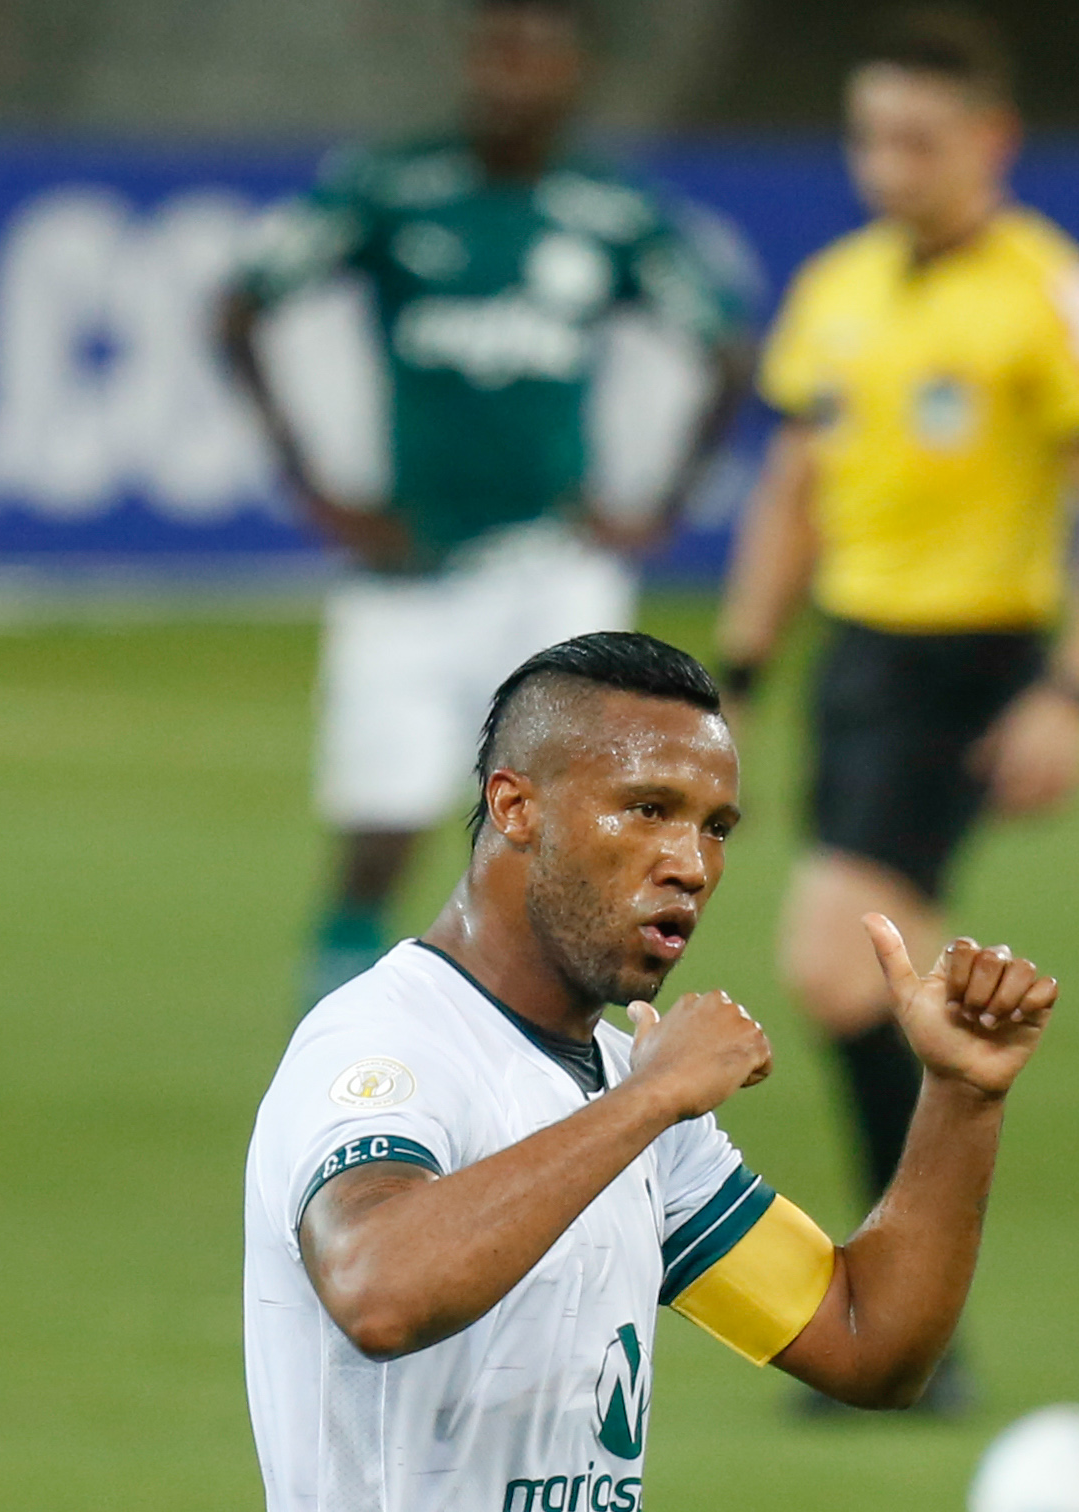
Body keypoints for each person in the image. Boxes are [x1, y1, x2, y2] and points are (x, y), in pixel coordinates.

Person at [220, 631, 1060, 1512]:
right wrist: (651, 1101)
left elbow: (872, 1344)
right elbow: (379, 1287)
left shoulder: (624, 1093)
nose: (692, 863)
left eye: (716, 827)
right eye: (648, 809)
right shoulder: (388, 1046)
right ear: (516, 807)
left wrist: (960, 1095)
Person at [715, 8, 1079, 1414]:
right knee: (873, 984)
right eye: (870, 137)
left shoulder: (1055, 295)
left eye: (919, 140)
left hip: (968, 661)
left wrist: (1074, 692)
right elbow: (793, 486)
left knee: (833, 965)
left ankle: (897, 1318)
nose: (888, 165)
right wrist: (738, 672)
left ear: (992, 141)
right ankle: (910, 1327)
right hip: (858, 662)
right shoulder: (837, 287)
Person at [218, 0, 753, 1004]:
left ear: (574, 75)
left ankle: (578, 1038)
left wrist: (661, 503)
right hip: (412, 562)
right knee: (379, 824)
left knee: (581, 828)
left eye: (537, 58)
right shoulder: (391, 187)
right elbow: (242, 304)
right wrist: (311, 482)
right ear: (472, 64)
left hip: (555, 570)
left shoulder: (608, 210)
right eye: (499, 54)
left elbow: (725, 345)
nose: (514, 78)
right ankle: (338, 1031)